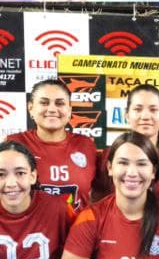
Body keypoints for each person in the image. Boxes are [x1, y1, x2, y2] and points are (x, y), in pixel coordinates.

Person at [7, 79, 98, 212]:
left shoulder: (86, 145)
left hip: (78, 225)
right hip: (31, 225)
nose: (52, 109)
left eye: (60, 103)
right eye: (44, 103)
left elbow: (99, 194)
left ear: (69, 109)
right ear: (30, 108)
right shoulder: (13, 144)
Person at [96, 84, 159, 213]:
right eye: (138, 109)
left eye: (153, 110)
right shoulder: (108, 155)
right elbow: (97, 203)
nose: (145, 116)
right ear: (127, 115)